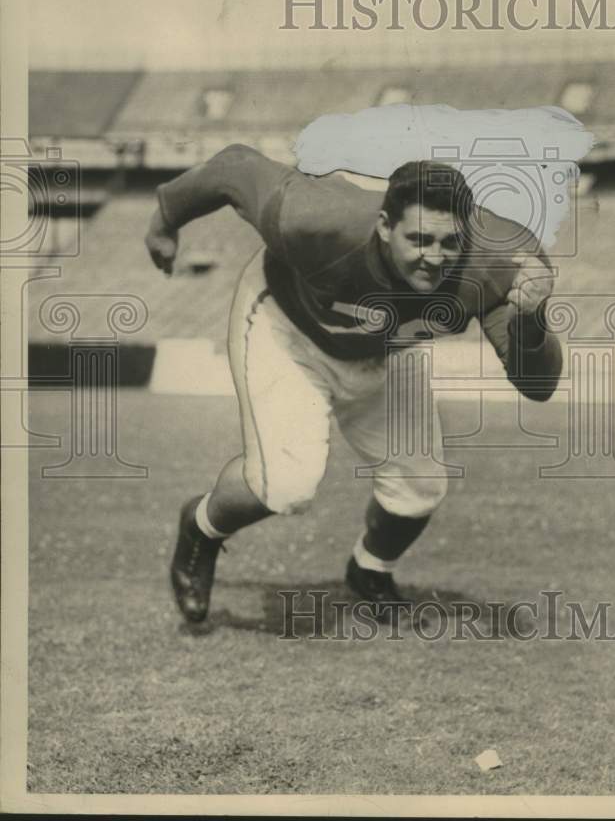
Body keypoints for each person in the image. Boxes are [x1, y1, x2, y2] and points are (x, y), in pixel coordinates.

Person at [145, 144, 563, 624]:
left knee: (419, 486)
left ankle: (369, 572)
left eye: (450, 243)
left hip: (384, 350)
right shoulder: (314, 218)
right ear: (385, 227)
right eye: (420, 239)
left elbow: (538, 384)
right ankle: (201, 529)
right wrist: (165, 216)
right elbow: (233, 166)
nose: (435, 257)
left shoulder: (496, 264)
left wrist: (530, 319)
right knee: (286, 484)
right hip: (290, 328)